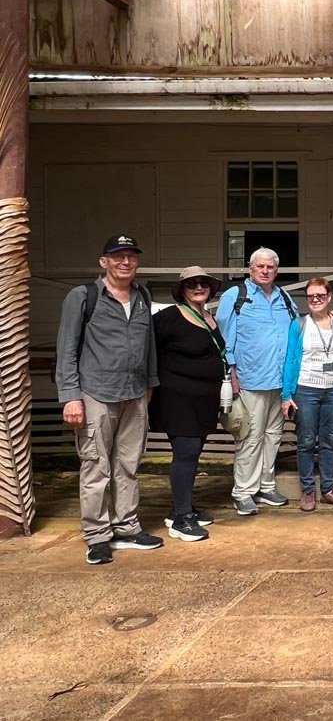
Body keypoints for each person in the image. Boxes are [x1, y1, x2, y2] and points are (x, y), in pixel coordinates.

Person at [56, 234, 162, 565]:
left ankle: (127, 527)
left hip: (134, 393)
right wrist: (71, 396)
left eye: (131, 256)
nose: (125, 262)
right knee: (96, 466)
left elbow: (149, 345)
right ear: (104, 261)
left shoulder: (142, 295)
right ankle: (97, 536)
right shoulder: (83, 296)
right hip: (96, 394)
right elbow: (67, 348)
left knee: (127, 465)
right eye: (118, 256)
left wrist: (150, 383)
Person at [216, 247, 298, 516]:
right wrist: (232, 375)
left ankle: (265, 485)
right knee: (250, 437)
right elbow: (224, 340)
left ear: (276, 270)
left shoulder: (284, 297)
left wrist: (332, 317)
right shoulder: (236, 296)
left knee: (274, 436)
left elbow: (299, 330)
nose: (265, 271)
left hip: (280, 381)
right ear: (250, 269)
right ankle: (243, 492)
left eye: (270, 267)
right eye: (260, 266)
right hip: (250, 379)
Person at [150, 266, 226, 543]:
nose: (198, 287)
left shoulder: (208, 316)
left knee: (193, 454)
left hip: (204, 399)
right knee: (186, 452)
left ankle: (181, 508)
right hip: (176, 398)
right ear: (182, 289)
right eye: (191, 284)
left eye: (203, 283)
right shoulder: (169, 316)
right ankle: (181, 520)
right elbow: (150, 352)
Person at [281, 277, 333, 513]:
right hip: (305, 389)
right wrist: (286, 394)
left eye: (320, 295)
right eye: (311, 296)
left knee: (329, 441)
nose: (316, 299)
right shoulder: (299, 325)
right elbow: (290, 359)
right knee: (306, 442)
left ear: (329, 297)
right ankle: (308, 491)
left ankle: (329, 490)